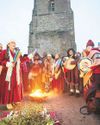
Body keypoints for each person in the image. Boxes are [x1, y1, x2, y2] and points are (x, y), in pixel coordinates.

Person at [0, 41, 35, 109]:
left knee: (15, 87)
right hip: (8, 73)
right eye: (12, 43)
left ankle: (13, 100)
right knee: (8, 87)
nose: (14, 44)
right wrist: (8, 63)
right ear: (8, 44)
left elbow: (22, 60)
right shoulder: (4, 52)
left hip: (16, 73)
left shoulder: (17, 52)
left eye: (14, 43)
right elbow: (1, 61)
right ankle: (8, 102)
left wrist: (29, 57)